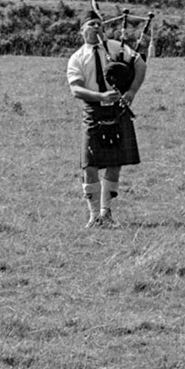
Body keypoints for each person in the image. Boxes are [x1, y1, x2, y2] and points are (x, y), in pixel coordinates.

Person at [66, 12, 147, 227]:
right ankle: (94, 217)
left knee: (115, 163)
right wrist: (100, 96)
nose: (96, 27)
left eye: (99, 24)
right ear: (82, 30)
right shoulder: (77, 58)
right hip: (94, 111)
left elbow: (140, 64)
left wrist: (131, 91)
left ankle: (106, 214)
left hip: (117, 110)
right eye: (91, 24)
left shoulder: (116, 48)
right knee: (89, 165)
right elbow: (76, 89)